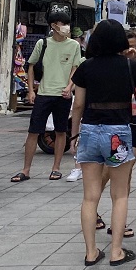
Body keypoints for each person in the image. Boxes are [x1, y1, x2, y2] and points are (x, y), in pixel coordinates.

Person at [68, 19, 136, 267]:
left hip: (89, 130)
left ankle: (91, 252)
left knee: (90, 197)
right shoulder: (132, 67)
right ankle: (116, 251)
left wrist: (74, 135)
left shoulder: (85, 67)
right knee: (119, 195)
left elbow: (78, 104)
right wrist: (129, 56)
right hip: (118, 133)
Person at [13, 10, 82, 182]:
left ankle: (56, 168)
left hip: (63, 95)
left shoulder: (74, 45)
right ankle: (26, 169)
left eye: (67, 24)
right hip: (43, 93)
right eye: (62, 24)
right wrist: (31, 90)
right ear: (53, 26)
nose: (66, 27)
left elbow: (75, 68)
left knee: (60, 132)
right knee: (34, 131)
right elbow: (31, 66)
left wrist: (69, 86)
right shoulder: (42, 43)